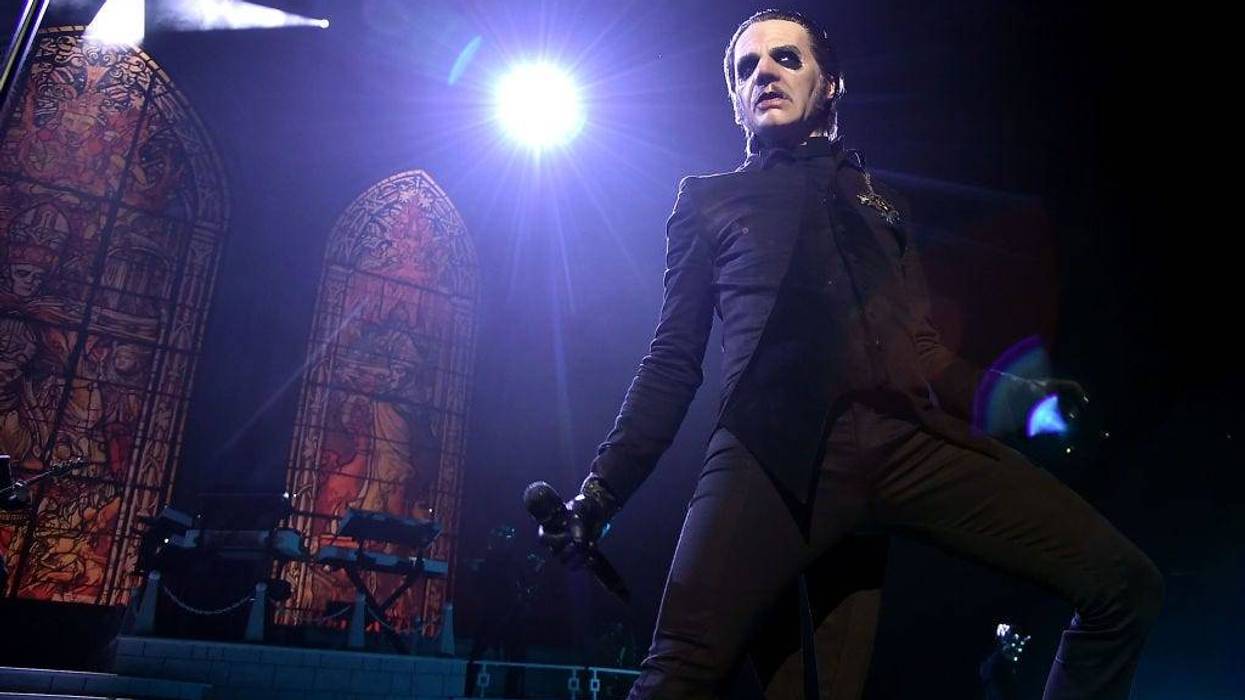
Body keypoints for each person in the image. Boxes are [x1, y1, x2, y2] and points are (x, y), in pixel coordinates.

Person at [543, 9, 1163, 699]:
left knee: (1122, 583)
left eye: (784, 58)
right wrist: (600, 493)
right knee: (680, 673)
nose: (763, 74)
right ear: (734, 101)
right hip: (766, 455)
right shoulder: (707, 200)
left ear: (830, 82)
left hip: (905, 447)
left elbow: (920, 350)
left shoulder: (881, 203)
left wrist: (1025, 400)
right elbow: (671, 358)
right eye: (745, 68)